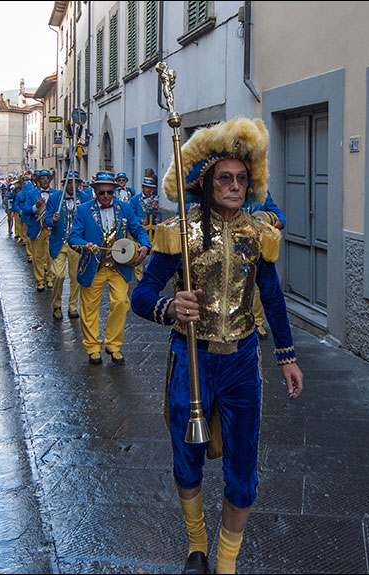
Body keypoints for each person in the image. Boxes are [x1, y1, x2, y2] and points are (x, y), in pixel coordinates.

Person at [131, 118, 304, 575]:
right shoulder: (179, 233)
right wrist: (170, 308)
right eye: (224, 178)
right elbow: (141, 295)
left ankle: (226, 563)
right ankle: (196, 545)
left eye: (241, 178)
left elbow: (272, 296)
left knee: (242, 470)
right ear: (207, 182)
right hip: (191, 360)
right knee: (187, 461)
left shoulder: (257, 233)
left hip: (243, 363)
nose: (234, 185)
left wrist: (286, 357)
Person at [68, 171, 150, 365]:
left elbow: (138, 229)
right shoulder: (83, 210)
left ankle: (113, 345)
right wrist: (85, 245)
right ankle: (92, 347)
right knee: (89, 308)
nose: (105, 196)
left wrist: (145, 245)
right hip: (93, 267)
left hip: (118, 266)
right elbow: (73, 237)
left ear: (114, 191)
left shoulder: (125, 208)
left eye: (109, 192)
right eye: (101, 192)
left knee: (121, 302)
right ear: (94, 190)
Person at [44, 170, 92, 320]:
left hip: (77, 243)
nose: (71, 185)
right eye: (68, 182)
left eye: (75, 182)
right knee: (58, 274)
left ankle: (72, 306)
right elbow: (45, 220)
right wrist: (52, 220)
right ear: (63, 184)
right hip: (59, 242)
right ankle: (56, 305)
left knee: (75, 276)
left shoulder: (85, 198)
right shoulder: (54, 198)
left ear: (78, 184)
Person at [242, 190, 286, 339]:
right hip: (234, 249)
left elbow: (276, 211)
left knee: (265, 286)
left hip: (258, 246)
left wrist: (279, 221)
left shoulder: (262, 191)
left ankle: (257, 322)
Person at [23, 169, 55, 291]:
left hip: (51, 229)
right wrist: (35, 207)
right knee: (37, 256)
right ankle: (40, 280)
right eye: (43, 178)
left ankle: (50, 278)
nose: (45, 180)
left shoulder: (56, 193)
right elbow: (26, 211)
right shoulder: (32, 194)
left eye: (47, 178)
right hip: (37, 230)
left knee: (50, 255)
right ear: (38, 181)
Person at [130, 175, 163, 281]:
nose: (149, 190)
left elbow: (159, 213)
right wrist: (139, 220)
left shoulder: (155, 199)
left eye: (151, 188)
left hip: (152, 230)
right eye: (147, 187)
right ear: (143, 187)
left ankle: (149, 272)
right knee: (140, 250)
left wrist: (158, 219)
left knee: (152, 250)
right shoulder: (135, 199)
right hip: (139, 231)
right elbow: (131, 215)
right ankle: (139, 276)